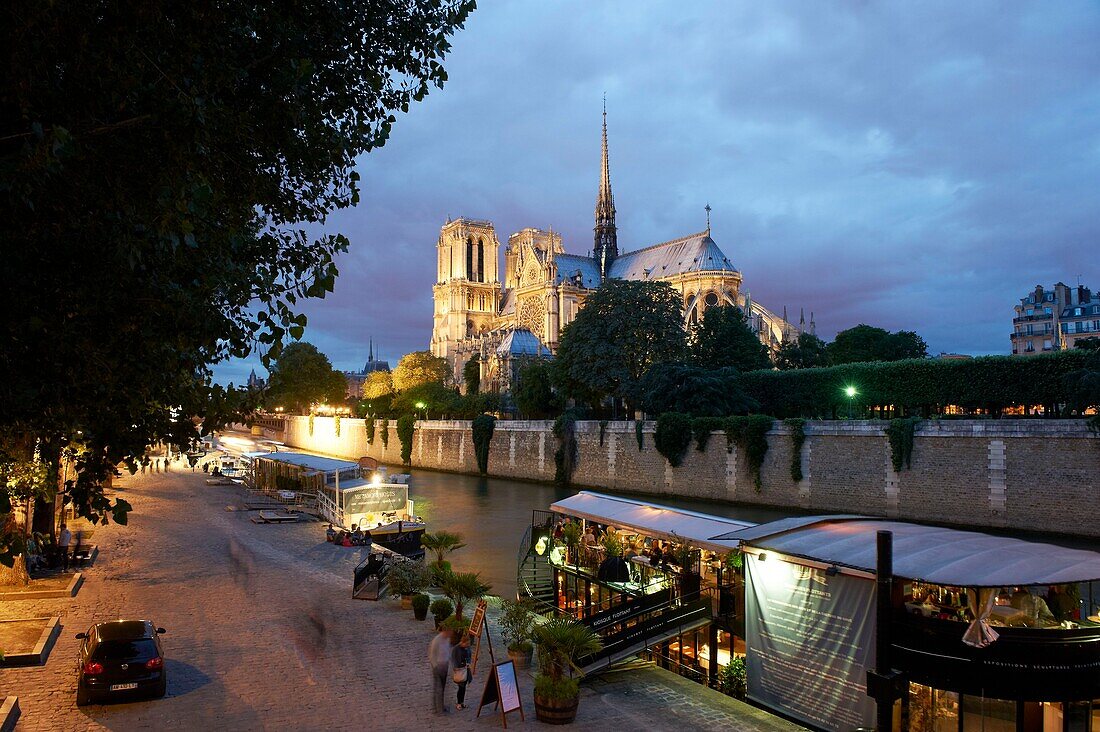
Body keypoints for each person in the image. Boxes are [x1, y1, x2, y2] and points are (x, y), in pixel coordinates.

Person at [428, 627, 453, 714]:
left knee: (442, 687)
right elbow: (432, 655)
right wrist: (435, 667)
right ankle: (437, 708)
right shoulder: (437, 640)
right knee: (438, 688)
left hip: (444, 666)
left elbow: (447, 651)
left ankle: (441, 706)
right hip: (438, 667)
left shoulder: (447, 639)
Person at [451, 631, 472, 710]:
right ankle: (459, 703)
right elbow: (453, 659)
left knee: (463, 687)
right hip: (459, 670)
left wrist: (469, 663)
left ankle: (462, 702)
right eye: (466, 644)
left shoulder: (467, 648)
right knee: (461, 687)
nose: (467, 645)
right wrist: (455, 667)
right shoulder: (456, 649)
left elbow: (469, 656)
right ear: (462, 642)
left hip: (465, 669)